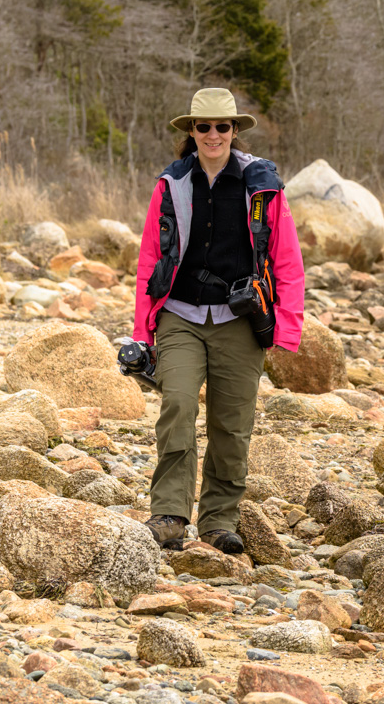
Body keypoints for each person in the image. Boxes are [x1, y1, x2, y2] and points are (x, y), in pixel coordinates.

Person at [132, 88, 304, 552]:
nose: (213, 134)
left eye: (222, 126)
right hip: (179, 315)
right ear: (191, 131)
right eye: (203, 126)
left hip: (241, 320)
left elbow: (287, 259)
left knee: (232, 425)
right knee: (177, 406)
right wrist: (142, 331)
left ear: (234, 130)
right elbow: (150, 259)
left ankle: (218, 521)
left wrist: (287, 327)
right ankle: (170, 514)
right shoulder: (171, 183)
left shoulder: (261, 184)